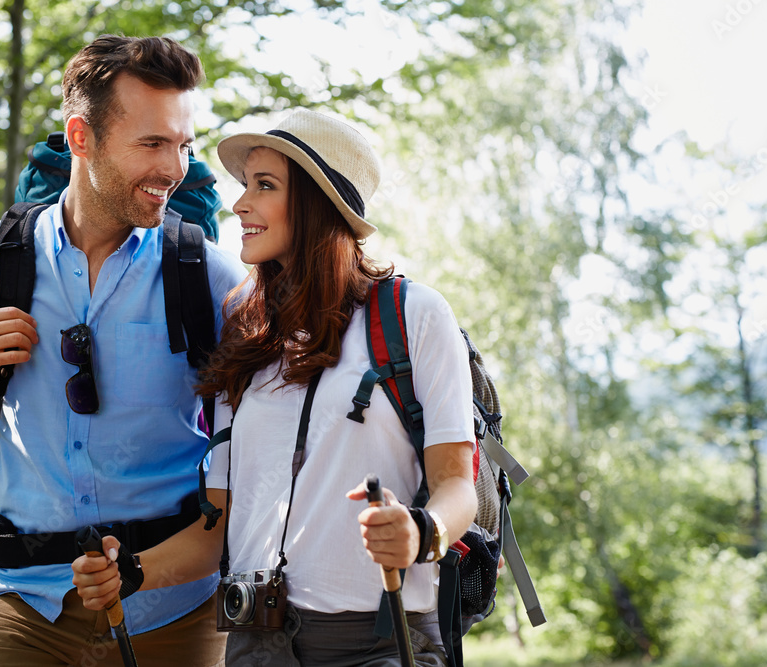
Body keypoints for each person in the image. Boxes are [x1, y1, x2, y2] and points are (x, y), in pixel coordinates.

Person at [72, 108, 478, 666]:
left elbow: (459, 486)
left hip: (381, 643)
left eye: (265, 186)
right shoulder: (243, 334)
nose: (240, 204)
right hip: (254, 645)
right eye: (245, 185)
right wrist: (132, 572)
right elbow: (217, 530)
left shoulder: (414, 315)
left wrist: (419, 532)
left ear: (318, 204)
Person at [0, 35, 246, 667]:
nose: (174, 168)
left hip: (175, 606)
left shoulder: (207, 275)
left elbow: (251, 462)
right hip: (25, 602)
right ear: (81, 137)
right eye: (151, 143)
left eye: (182, 145)